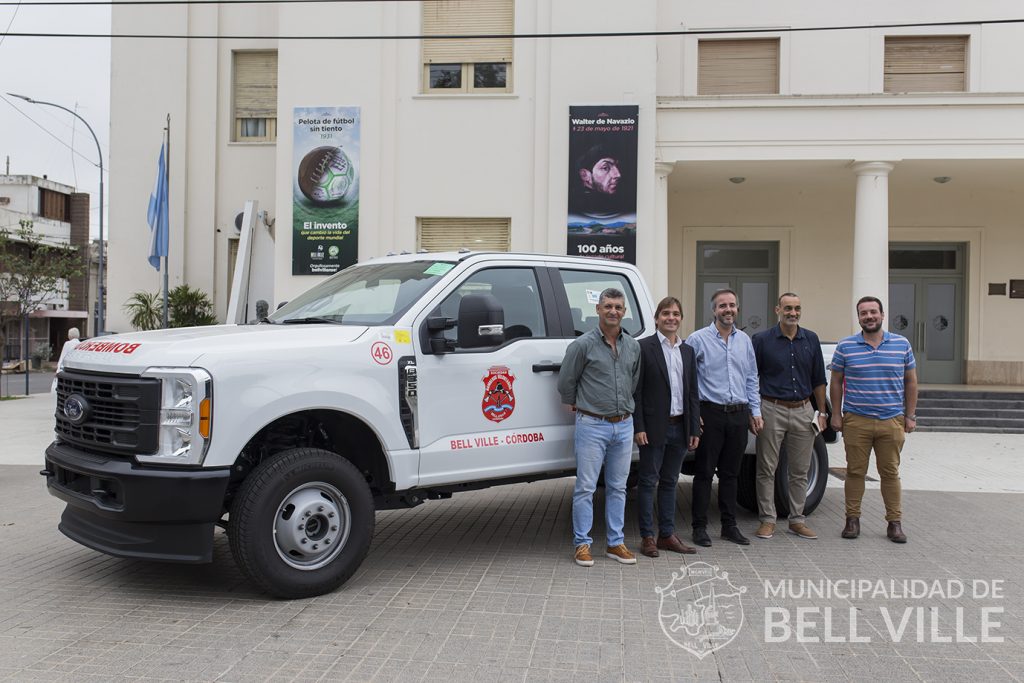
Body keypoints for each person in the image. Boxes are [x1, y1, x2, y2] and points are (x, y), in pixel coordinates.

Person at [558, 287, 641, 567]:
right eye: (608, 306)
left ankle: (615, 543)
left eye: (618, 307)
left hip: (624, 425)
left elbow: (634, 381)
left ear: (624, 312)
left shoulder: (633, 346)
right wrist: (575, 404)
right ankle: (582, 544)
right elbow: (566, 381)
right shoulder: (582, 345)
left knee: (618, 488)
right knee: (586, 487)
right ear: (598, 309)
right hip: (592, 424)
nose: (613, 311)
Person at [829, 296, 918, 543]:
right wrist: (837, 414)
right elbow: (836, 381)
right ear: (858, 317)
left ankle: (894, 523)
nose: (869, 316)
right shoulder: (846, 346)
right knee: (855, 472)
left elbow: (911, 381)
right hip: (857, 420)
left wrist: (910, 416)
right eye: (863, 313)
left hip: (892, 420)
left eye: (873, 312)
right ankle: (852, 520)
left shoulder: (901, 344)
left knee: (890, 473)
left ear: (882, 314)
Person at [685, 289, 762, 547]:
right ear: (713, 310)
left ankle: (729, 526)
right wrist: (694, 416)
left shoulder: (744, 341)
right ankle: (699, 527)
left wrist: (755, 411)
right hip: (711, 414)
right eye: (722, 306)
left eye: (732, 305)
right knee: (705, 474)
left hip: (738, 415)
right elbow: (688, 382)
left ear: (737, 309)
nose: (728, 310)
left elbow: (751, 378)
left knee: (731, 474)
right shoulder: (697, 339)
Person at [751, 293, 827, 541]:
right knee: (766, 468)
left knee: (800, 469)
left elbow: (818, 379)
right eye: (788, 308)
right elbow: (752, 377)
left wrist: (822, 412)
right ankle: (767, 520)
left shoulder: (811, 339)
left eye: (797, 308)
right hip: (772, 408)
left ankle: (797, 520)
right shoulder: (762, 340)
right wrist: (755, 410)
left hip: (804, 410)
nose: (792, 313)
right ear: (777, 310)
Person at [633, 297, 701, 557]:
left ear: (681, 318)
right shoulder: (644, 348)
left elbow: (692, 393)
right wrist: (639, 426)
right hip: (652, 428)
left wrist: (693, 428)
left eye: (675, 314)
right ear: (657, 318)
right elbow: (636, 392)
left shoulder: (688, 351)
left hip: (680, 427)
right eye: (665, 313)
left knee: (671, 482)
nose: (671, 318)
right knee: (649, 482)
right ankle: (648, 536)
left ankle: (667, 535)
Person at [571, 144, 624, 218]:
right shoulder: (577, 206)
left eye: (617, 166)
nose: (618, 174)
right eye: (605, 168)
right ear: (585, 175)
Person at [51, 327, 82, 393]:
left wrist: (58, 370)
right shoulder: (80, 344)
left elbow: (62, 357)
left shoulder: (67, 343)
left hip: (66, 370)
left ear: (70, 335)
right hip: (76, 371)